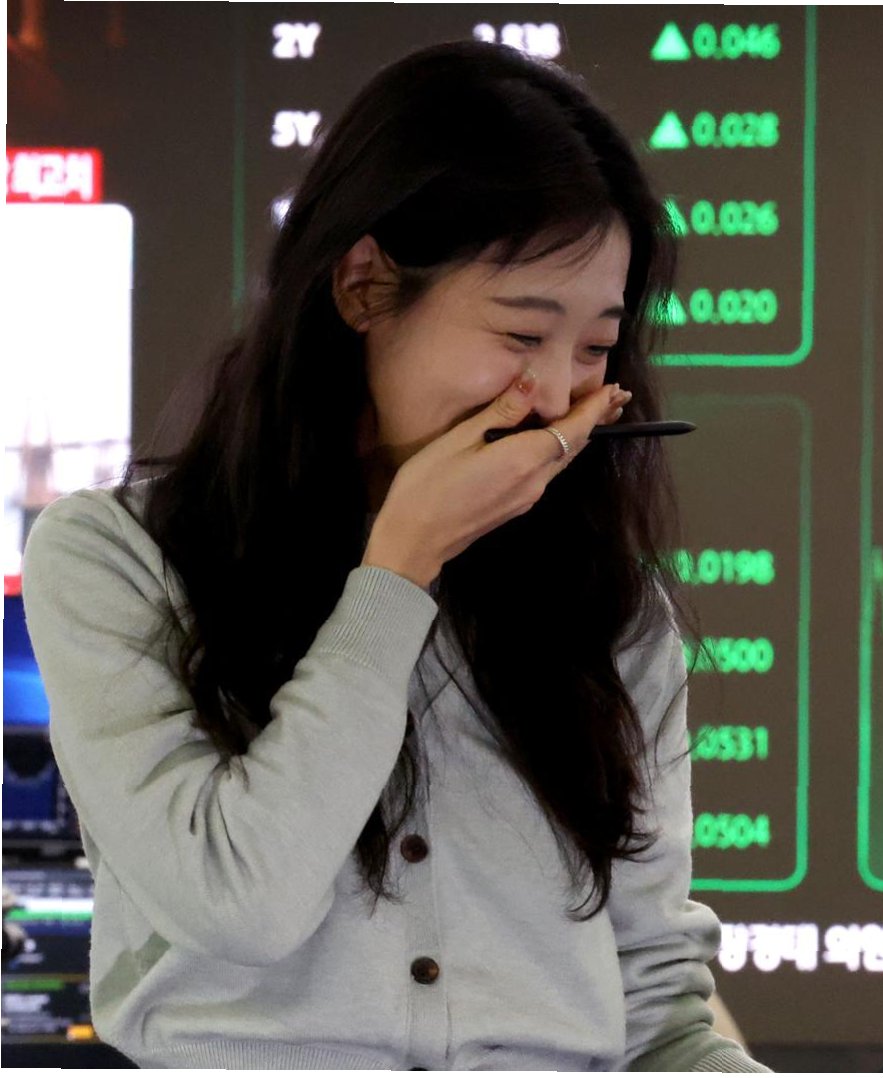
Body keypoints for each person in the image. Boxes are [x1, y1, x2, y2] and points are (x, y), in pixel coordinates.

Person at [20, 39, 770, 1071]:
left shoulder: (610, 612)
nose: (559, 395)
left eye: (596, 348)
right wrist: (398, 570)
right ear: (366, 286)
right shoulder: (118, 560)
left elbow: (657, 1013)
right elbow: (237, 900)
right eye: (522, 335)